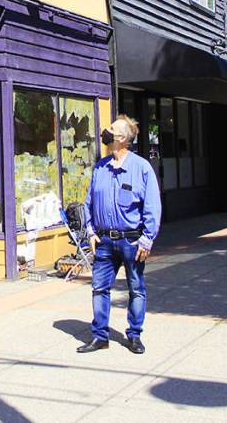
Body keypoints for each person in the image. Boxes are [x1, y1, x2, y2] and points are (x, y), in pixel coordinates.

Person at [77, 114, 161, 355]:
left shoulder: (141, 168)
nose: (106, 132)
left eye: (112, 129)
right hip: (104, 241)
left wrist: (147, 239)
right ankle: (99, 337)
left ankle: (134, 336)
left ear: (123, 138)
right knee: (99, 288)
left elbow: (152, 207)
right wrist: (91, 232)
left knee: (136, 288)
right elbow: (88, 203)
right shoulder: (100, 167)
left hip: (132, 241)